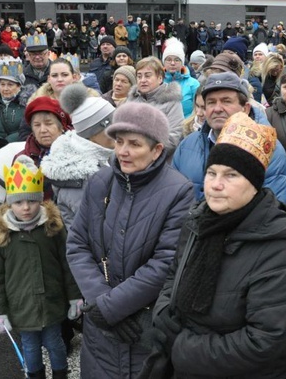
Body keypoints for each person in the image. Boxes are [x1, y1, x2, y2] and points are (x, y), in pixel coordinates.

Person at [144, 112, 286, 378]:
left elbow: (264, 340)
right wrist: (163, 317)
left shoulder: (278, 244)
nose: (216, 185)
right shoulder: (198, 221)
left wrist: (181, 347)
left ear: (253, 184)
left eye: (231, 175)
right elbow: (173, 277)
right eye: (211, 172)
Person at [66, 102, 195, 378]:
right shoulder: (100, 181)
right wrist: (103, 304)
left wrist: (111, 307)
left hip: (145, 325)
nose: (123, 151)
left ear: (157, 149)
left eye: (134, 144)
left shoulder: (178, 191)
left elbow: (166, 262)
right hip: (100, 327)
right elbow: (77, 244)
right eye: (119, 141)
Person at [0, 155, 81, 379]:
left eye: (32, 201)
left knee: (55, 343)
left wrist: (74, 297)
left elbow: (68, 265)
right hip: (22, 306)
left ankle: (60, 375)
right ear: (10, 202)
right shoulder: (0, 234)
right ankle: (35, 375)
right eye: (19, 202)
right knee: (30, 347)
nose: (26, 207)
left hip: (51, 301)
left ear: (40, 199)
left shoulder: (53, 227)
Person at [172, 72, 286, 205]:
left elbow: (274, 211)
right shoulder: (186, 146)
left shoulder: (268, 150)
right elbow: (172, 200)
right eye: (211, 103)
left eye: (226, 101)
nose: (217, 109)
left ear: (245, 109)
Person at [41, 84, 115, 230]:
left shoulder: (102, 157)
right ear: (93, 134)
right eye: (112, 126)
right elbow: (95, 230)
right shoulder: (81, 179)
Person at [127, 56, 184, 156]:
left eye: (148, 76)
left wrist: (145, 152)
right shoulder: (131, 100)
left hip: (158, 159)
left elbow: (174, 136)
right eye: (139, 76)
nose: (142, 80)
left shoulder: (171, 101)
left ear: (160, 78)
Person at [0, 57, 34, 157]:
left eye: (10, 85)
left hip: (19, 151)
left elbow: (29, 129)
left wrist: (8, 141)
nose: (5, 88)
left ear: (19, 86)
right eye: (2, 84)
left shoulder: (28, 104)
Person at [162, 37, 200, 118]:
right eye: (168, 59)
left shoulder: (193, 84)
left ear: (182, 62)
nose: (172, 63)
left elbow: (198, 110)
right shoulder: (157, 82)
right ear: (163, 62)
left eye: (177, 60)